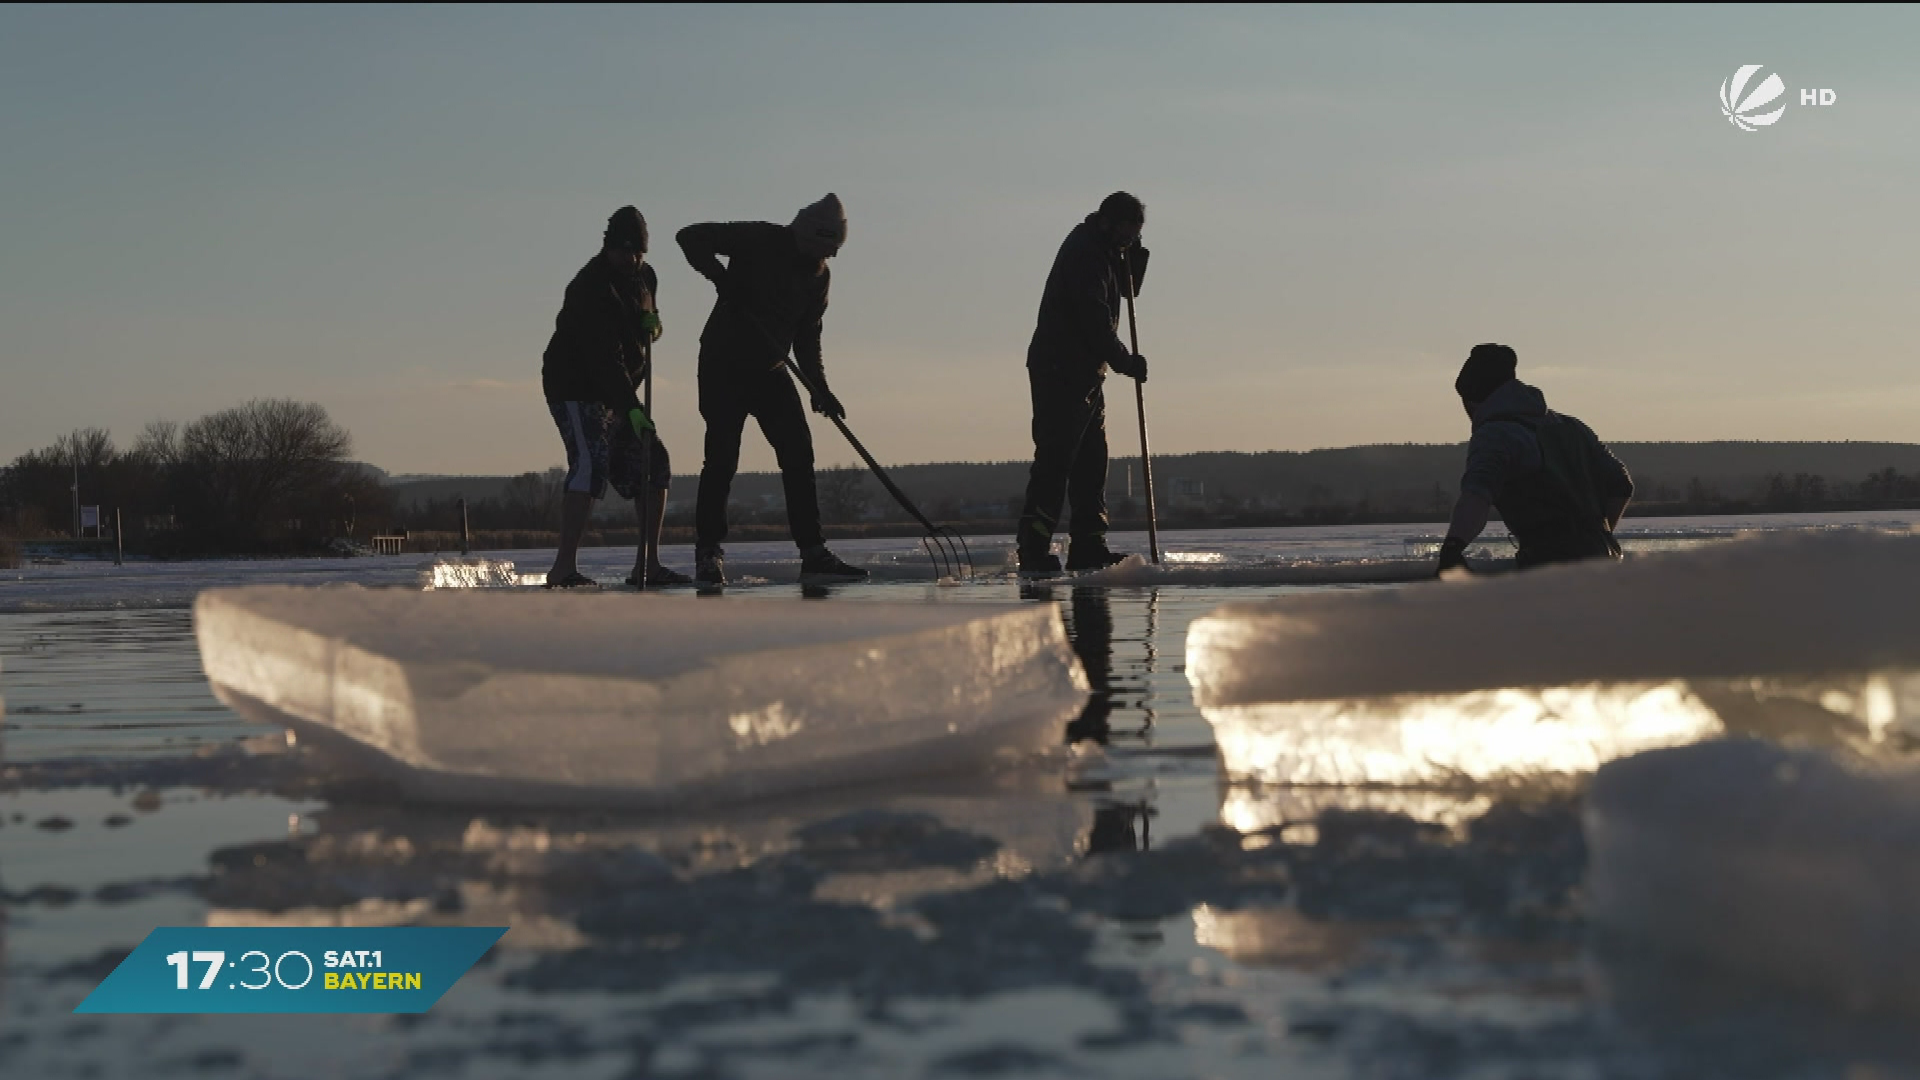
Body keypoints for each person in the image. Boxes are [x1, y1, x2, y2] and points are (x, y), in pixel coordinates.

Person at [676, 194, 868, 586]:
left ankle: (813, 552)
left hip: (770, 370)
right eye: (824, 247)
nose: (828, 256)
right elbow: (689, 237)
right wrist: (723, 280)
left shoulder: (819, 277)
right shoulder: (759, 239)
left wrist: (819, 388)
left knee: (799, 454)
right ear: (807, 235)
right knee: (721, 459)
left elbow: (807, 336)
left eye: (833, 250)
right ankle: (708, 552)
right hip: (723, 365)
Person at [539, 206, 690, 589]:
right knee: (589, 465)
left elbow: (644, 327)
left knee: (653, 464)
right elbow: (605, 360)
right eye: (625, 250)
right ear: (608, 247)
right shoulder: (590, 288)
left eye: (638, 251)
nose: (632, 258)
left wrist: (653, 326)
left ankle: (647, 566)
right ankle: (562, 569)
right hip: (576, 387)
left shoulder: (645, 278)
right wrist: (632, 411)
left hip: (618, 392)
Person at [1015, 192, 1151, 575]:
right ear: (1107, 223)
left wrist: (1133, 258)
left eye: (1133, 238)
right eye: (1124, 236)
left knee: (1092, 461)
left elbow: (1127, 290)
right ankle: (1034, 548)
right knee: (1056, 460)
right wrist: (1125, 360)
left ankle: (1090, 546)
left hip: (1088, 372)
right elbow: (1094, 319)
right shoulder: (1085, 253)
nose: (1126, 243)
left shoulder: (1107, 251)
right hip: (1060, 369)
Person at [1436, 343, 1634, 575]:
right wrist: (1598, 535)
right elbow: (1622, 484)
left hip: (1549, 563)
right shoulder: (1572, 427)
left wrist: (1453, 548)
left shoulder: (1494, 435)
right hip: (1604, 558)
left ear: (1472, 401)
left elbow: (1477, 495)